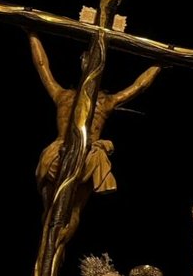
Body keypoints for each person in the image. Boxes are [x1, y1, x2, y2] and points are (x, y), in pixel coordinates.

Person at [27, 32, 161, 215]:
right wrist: (32, 34)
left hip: (87, 156)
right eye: (86, 60)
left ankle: (56, 240)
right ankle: (50, 241)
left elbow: (138, 86)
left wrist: (159, 64)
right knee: (50, 212)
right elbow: (42, 67)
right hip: (58, 153)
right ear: (82, 63)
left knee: (72, 213)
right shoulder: (64, 96)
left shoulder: (105, 101)